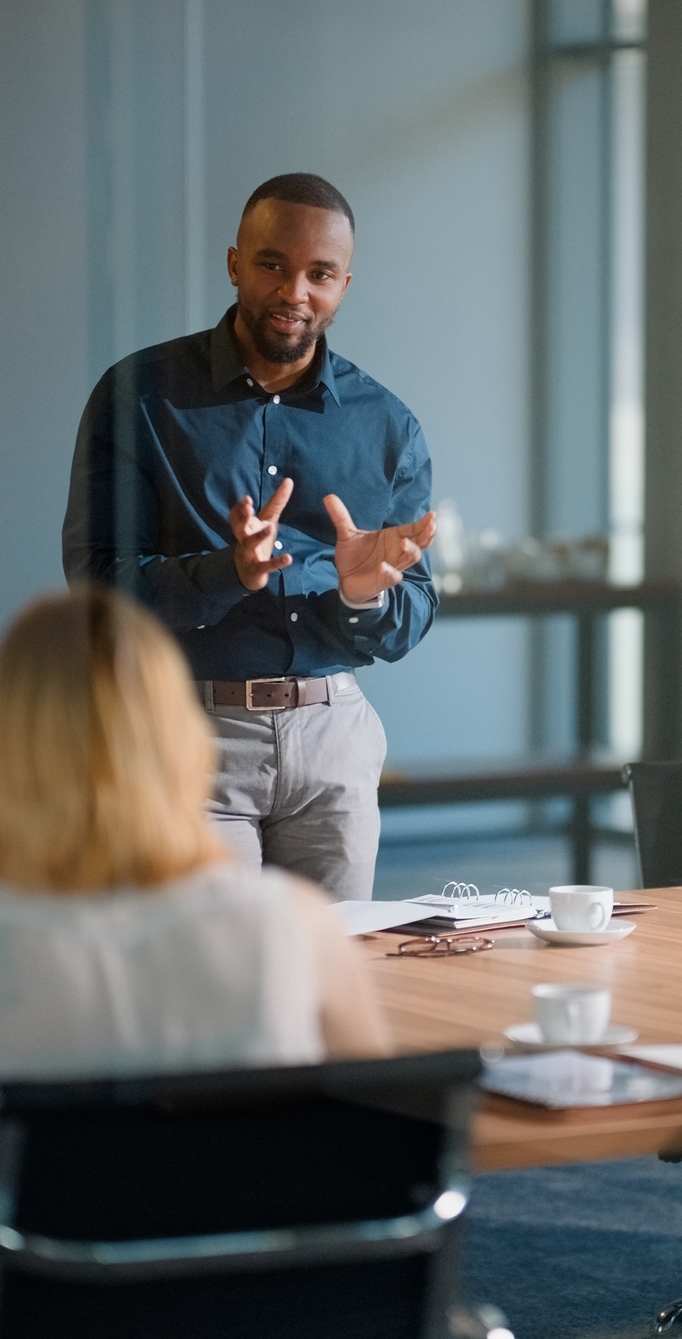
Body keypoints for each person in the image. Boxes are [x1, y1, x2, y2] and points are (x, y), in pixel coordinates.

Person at [0, 590, 389, 1338]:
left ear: (3, 752)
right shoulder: (298, 926)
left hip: (25, 1308)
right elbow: (376, 1151)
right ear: (180, 739)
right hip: (249, 1307)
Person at [62, 172, 437, 900]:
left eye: (319, 274)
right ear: (235, 264)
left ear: (343, 285)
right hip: (188, 735)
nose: (295, 292)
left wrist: (363, 598)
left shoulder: (386, 425)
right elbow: (96, 580)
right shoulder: (140, 395)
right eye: (273, 265)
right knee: (215, 982)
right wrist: (228, 571)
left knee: (332, 980)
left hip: (333, 737)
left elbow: (414, 611)